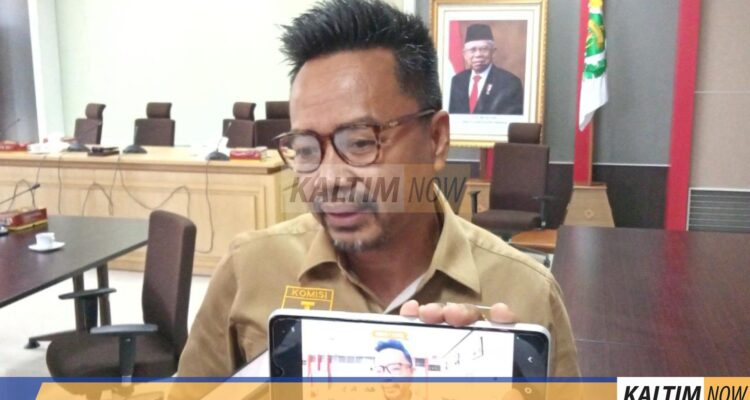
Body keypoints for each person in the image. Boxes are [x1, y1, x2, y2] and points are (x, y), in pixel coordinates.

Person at [176, 0, 578, 393]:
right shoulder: (250, 268)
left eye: (360, 142)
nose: (328, 179)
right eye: (306, 149)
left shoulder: (526, 292)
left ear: (436, 139)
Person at [448, 24, 524, 115]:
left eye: (484, 49)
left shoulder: (510, 83)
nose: (478, 55)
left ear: (493, 52)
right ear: (464, 54)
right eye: (472, 50)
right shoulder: (456, 81)